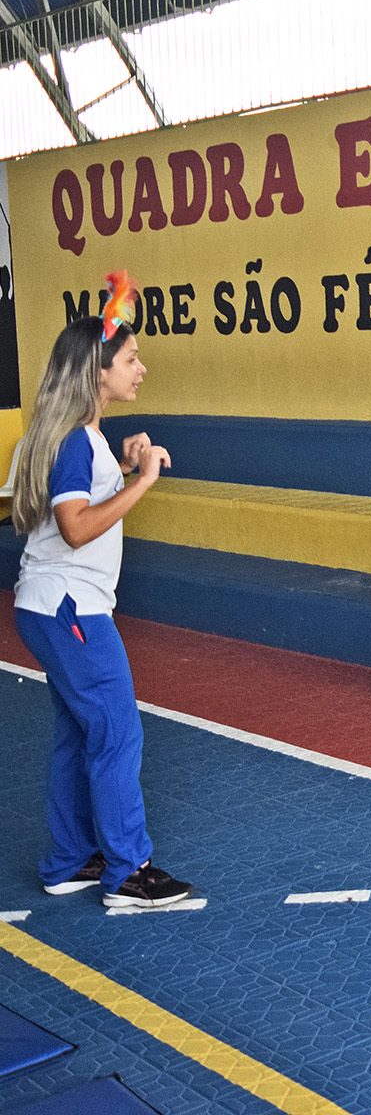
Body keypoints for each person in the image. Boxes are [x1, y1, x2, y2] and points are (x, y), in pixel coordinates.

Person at [12, 303, 193, 908]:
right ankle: (127, 872)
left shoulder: (72, 438)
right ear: (98, 372)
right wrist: (142, 481)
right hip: (73, 611)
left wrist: (120, 466)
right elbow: (75, 527)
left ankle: (69, 860)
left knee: (78, 734)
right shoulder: (74, 441)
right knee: (117, 733)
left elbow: (76, 500)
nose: (141, 368)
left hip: (47, 607)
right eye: (131, 359)